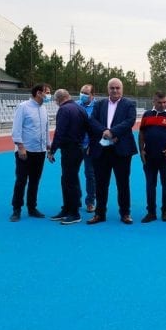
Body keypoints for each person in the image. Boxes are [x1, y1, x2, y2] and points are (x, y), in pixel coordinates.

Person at [86, 78, 138, 225]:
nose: (115, 90)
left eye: (117, 88)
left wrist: (113, 132)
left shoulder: (129, 104)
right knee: (101, 184)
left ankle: (125, 213)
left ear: (122, 89)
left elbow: (129, 121)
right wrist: (105, 132)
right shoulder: (99, 104)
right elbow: (92, 121)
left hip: (121, 150)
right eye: (112, 88)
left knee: (123, 183)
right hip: (101, 150)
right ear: (107, 89)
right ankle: (99, 214)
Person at [9, 83, 52, 222]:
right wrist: (20, 147)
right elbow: (16, 128)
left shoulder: (44, 109)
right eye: (47, 92)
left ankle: (32, 207)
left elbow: (46, 130)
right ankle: (16, 209)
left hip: (40, 151)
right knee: (21, 180)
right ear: (39, 93)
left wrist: (49, 148)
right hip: (25, 151)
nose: (49, 95)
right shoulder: (23, 107)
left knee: (35, 181)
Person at [47, 89, 89, 225]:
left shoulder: (64, 110)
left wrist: (52, 150)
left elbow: (60, 132)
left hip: (70, 149)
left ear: (58, 99)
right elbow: (87, 128)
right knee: (69, 178)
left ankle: (74, 212)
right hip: (79, 148)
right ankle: (67, 208)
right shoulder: (81, 109)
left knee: (69, 180)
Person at [138, 92, 166, 223]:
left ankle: (165, 211)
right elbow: (141, 133)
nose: (162, 105)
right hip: (149, 156)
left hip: (165, 157)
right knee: (150, 185)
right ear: (154, 102)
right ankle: (151, 212)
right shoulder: (147, 115)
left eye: (165, 102)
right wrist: (141, 150)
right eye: (159, 102)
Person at [78, 84, 97, 213]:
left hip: (90, 146)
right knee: (72, 173)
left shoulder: (98, 108)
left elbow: (98, 128)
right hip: (76, 145)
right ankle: (75, 199)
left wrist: (93, 144)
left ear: (92, 95)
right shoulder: (75, 105)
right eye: (82, 92)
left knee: (90, 175)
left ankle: (90, 201)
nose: (83, 95)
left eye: (86, 93)